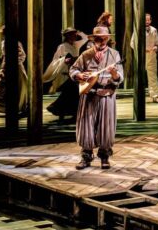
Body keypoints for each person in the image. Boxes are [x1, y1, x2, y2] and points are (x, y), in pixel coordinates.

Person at [69, 26, 124, 170]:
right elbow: (73, 69)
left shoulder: (114, 54)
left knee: (106, 127)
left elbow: (120, 76)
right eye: (98, 38)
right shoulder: (86, 54)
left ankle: (104, 156)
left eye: (104, 38)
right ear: (94, 39)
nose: (101, 41)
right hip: (89, 94)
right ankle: (86, 157)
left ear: (108, 39)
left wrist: (114, 75)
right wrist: (79, 75)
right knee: (86, 126)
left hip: (107, 94)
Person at [44, 27, 88, 119]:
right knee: (70, 92)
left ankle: (65, 111)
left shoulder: (76, 44)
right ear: (67, 36)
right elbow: (56, 59)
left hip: (74, 70)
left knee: (71, 93)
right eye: (72, 34)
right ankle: (62, 111)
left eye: (75, 34)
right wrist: (64, 60)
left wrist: (79, 32)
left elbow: (85, 38)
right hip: (65, 72)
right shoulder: (62, 46)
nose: (74, 36)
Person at [0, 26, 28, 116]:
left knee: (16, 88)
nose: (2, 35)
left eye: (3, 33)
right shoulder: (4, 42)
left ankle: (16, 107)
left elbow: (22, 55)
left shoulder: (15, 43)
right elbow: (4, 56)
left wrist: (13, 62)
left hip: (14, 68)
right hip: (6, 67)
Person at [144, 13, 158, 103]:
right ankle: (139, 97)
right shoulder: (138, 30)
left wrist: (156, 47)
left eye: (148, 20)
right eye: (145, 20)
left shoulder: (154, 30)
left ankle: (154, 96)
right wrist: (142, 49)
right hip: (142, 56)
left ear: (150, 21)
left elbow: (157, 42)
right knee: (140, 76)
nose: (147, 22)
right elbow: (132, 43)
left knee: (153, 76)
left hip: (151, 55)